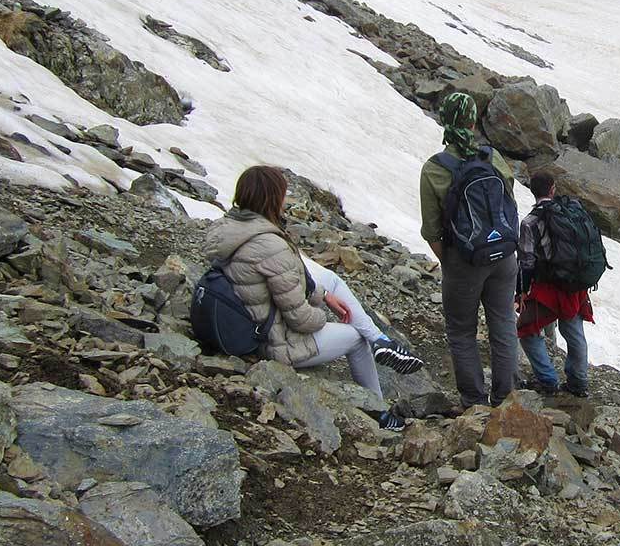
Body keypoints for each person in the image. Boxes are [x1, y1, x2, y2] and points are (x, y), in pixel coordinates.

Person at [204, 164, 416, 430]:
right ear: (272, 198)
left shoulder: (230, 230)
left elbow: (280, 282)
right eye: (282, 194)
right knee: (355, 338)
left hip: (244, 319)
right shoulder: (271, 245)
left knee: (330, 281)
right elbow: (300, 319)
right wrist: (324, 316)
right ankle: (379, 412)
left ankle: (381, 340)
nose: (285, 201)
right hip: (271, 342)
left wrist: (323, 295)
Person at [420, 91, 520, 407]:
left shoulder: (435, 169)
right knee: (503, 323)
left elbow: (432, 230)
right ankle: (505, 397)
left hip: (464, 260)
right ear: (473, 121)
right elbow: (508, 201)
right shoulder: (492, 157)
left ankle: (474, 402)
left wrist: (452, 262)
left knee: (462, 331)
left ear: (446, 121)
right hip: (504, 255)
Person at [517, 171, 596, 398]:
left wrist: (521, 291)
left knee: (526, 330)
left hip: (547, 289)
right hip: (575, 286)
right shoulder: (571, 212)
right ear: (553, 189)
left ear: (533, 191)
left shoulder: (529, 222)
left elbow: (526, 261)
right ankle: (578, 381)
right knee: (574, 331)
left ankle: (548, 380)